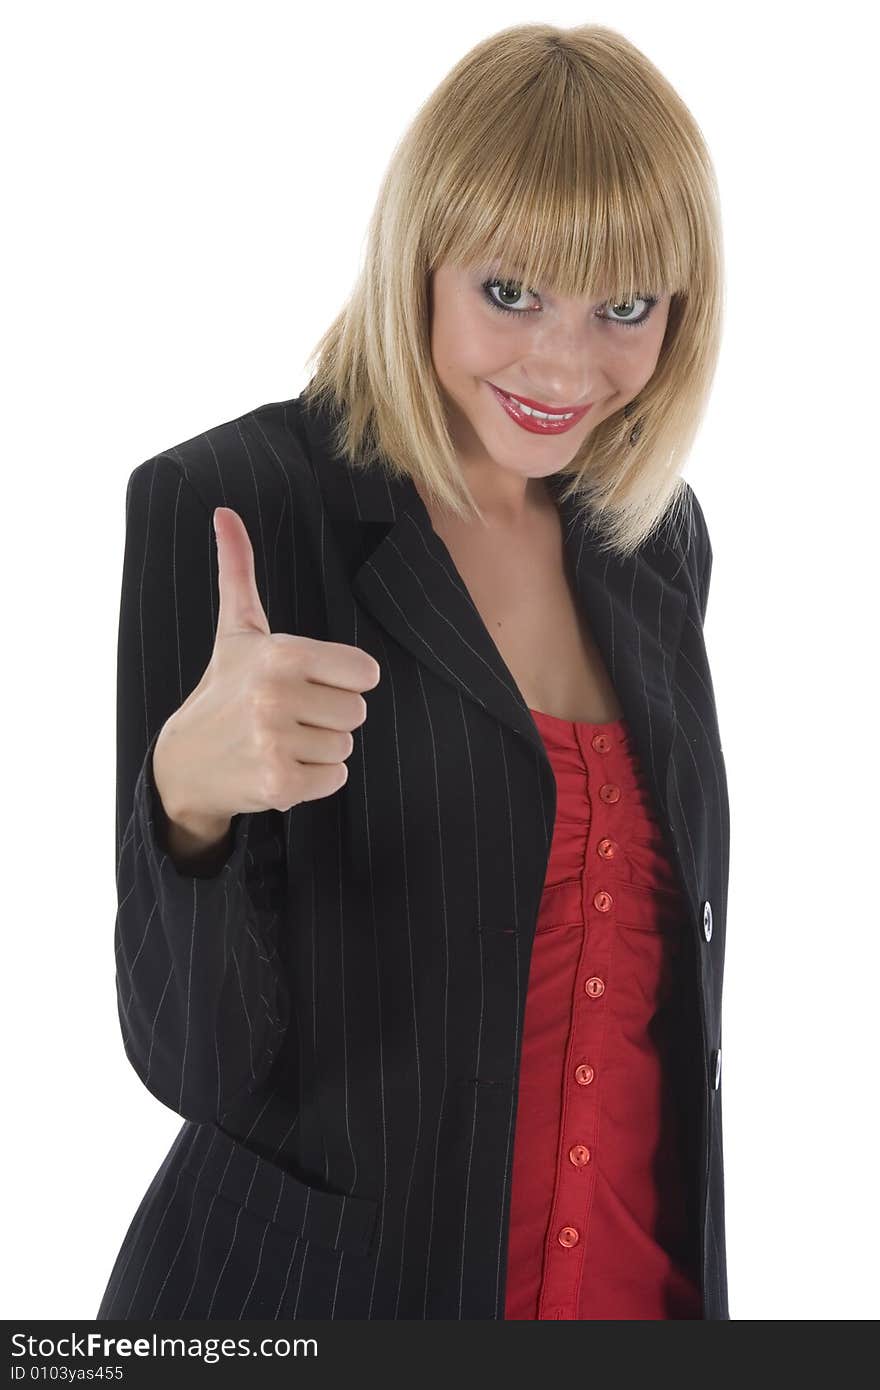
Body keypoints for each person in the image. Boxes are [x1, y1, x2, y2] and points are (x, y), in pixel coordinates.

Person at [97, 21, 729, 1321]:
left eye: (624, 307)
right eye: (511, 291)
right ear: (420, 263)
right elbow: (196, 1065)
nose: (564, 365)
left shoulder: (656, 534)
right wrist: (187, 805)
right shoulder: (233, 505)